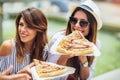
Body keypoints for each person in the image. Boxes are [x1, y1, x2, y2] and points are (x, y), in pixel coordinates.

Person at [47, 0, 102, 80]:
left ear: (92, 26)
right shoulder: (58, 39)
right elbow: (51, 75)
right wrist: (64, 56)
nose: (76, 25)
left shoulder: (95, 45)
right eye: (74, 20)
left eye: (83, 23)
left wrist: (83, 60)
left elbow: (85, 78)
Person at [0, 7, 48, 79]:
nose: (22, 30)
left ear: (39, 29)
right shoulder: (8, 46)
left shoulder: (44, 52)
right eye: (21, 24)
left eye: (29, 26)